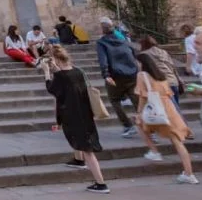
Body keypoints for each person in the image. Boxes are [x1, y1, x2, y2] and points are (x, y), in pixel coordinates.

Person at [42, 45, 109, 194]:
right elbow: (68, 81)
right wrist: (54, 68)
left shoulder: (60, 77)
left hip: (73, 115)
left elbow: (52, 89)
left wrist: (47, 72)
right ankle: (78, 160)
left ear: (57, 59)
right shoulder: (78, 71)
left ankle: (101, 183)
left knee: (88, 150)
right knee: (79, 139)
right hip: (85, 113)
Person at [135, 52, 197, 184]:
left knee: (140, 126)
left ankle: (154, 151)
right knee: (177, 141)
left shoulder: (142, 75)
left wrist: (139, 113)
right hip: (168, 109)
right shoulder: (161, 75)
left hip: (155, 108)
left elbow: (142, 96)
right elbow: (168, 93)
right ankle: (189, 173)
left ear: (142, 63)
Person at [95, 17, 139, 138]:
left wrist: (106, 74)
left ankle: (128, 125)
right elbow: (132, 54)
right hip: (131, 73)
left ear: (102, 30)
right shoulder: (123, 40)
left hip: (115, 75)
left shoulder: (101, 42)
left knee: (114, 100)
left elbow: (102, 59)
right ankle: (150, 127)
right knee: (137, 100)